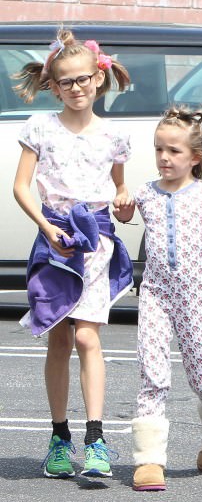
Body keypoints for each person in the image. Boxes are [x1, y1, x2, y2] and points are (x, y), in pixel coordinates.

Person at [12, 28, 134, 479]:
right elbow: (21, 187)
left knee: (87, 337)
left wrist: (123, 204)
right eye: (67, 82)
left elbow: (119, 190)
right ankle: (59, 438)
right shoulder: (40, 127)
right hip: (55, 240)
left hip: (96, 241)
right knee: (60, 339)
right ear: (54, 86)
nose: (77, 87)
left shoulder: (114, 135)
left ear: (99, 77)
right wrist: (47, 228)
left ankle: (96, 439)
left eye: (83, 79)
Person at [114, 105, 202, 491]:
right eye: (159, 149)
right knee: (152, 375)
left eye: (174, 151)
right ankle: (149, 459)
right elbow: (125, 216)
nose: (164, 158)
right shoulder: (146, 193)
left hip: (192, 296)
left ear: (195, 157)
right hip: (155, 294)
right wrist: (123, 211)